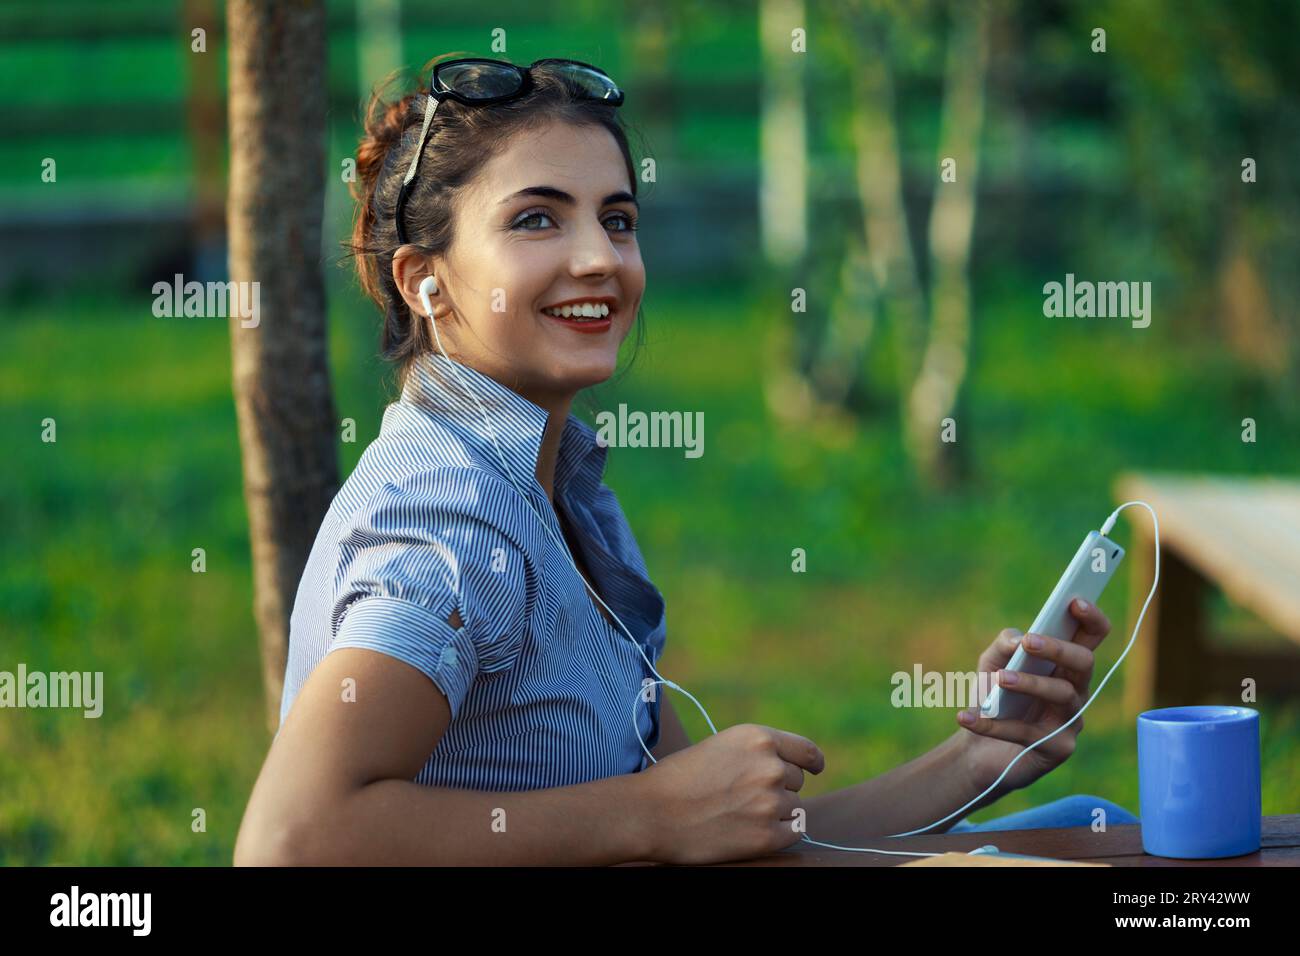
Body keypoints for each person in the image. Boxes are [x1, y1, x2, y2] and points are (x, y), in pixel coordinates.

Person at [233, 56, 1135, 867]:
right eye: (537, 218)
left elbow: (723, 844)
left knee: (1084, 820)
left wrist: (980, 757)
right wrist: (652, 813)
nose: (599, 259)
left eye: (616, 220)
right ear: (423, 280)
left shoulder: (567, 499)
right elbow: (291, 841)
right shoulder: (445, 514)